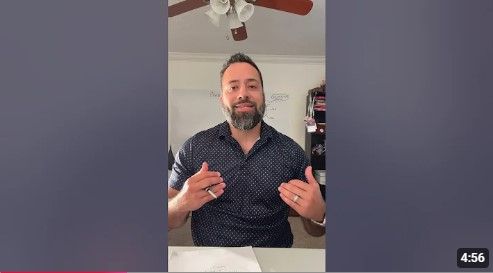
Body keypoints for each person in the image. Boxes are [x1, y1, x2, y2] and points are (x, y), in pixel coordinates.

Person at [168, 52, 325, 247]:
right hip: (212, 261)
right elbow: (169, 221)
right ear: (221, 100)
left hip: (273, 260)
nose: (243, 94)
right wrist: (181, 202)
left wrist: (320, 214)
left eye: (252, 86)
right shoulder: (193, 148)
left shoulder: (292, 153)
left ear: (263, 96)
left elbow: (315, 231)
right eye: (233, 87)